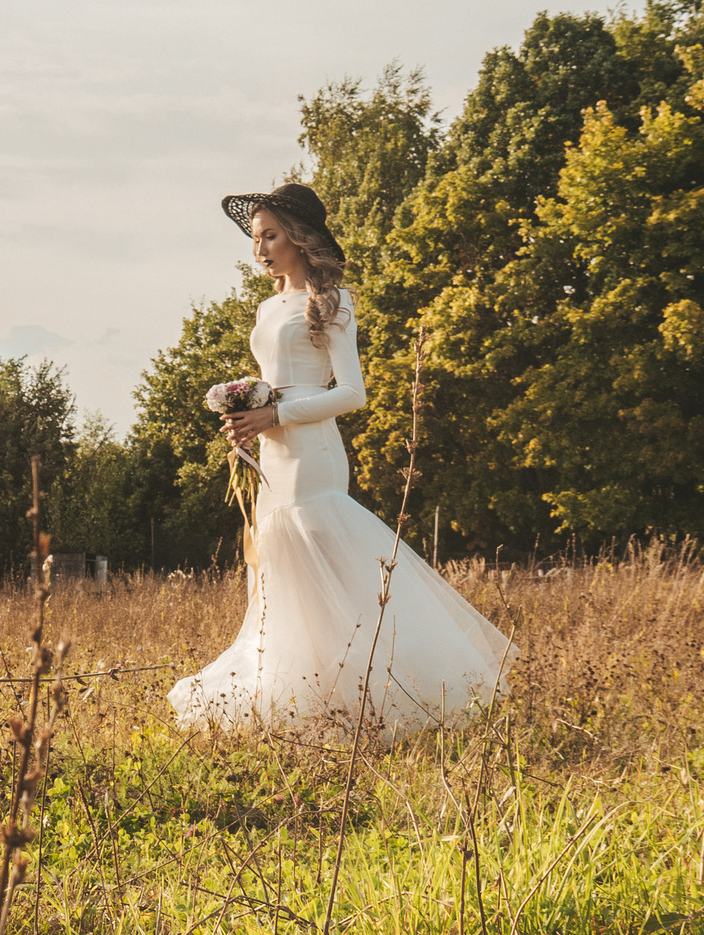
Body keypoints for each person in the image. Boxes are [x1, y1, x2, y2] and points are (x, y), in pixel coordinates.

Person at [168, 182, 513, 739]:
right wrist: (248, 416)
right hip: (273, 454)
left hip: (313, 454)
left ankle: (383, 691)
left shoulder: (332, 302)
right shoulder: (267, 306)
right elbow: (278, 378)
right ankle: (301, 694)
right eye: (255, 238)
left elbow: (352, 393)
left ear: (299, 238)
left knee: (327, 571)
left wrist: (275, 413)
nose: (259, 248)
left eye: (270, 236)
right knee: (281, 572)